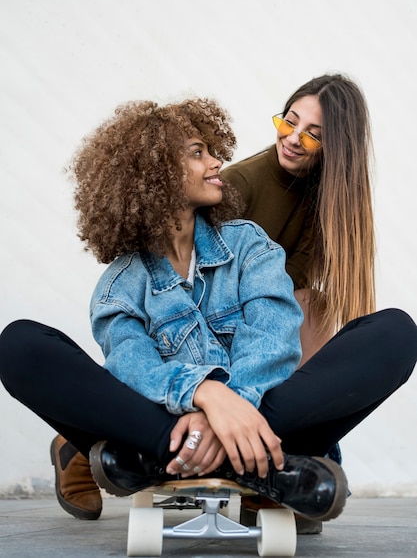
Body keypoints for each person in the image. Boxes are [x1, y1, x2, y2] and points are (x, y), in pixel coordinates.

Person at [0, 98, 415, 539]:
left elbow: (273, 341)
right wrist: (205, 395)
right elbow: (133, 368)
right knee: (20, 345)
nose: (218, 161)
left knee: (394, 333)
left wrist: (229, 402)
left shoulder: (249, 244)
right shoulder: (119, 286)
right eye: (198, 152)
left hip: (226, 425)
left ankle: (156, 462)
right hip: (176, 424)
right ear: (154, 177)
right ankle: (269, 474)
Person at [223, 73, 375, 365]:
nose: (292, 138)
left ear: (335, 148)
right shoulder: (238, 183)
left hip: (263, 311)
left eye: (312, 135)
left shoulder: (327, 202)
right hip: (220, 312)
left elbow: (295, 277)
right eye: (289, 122)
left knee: (315, 306)